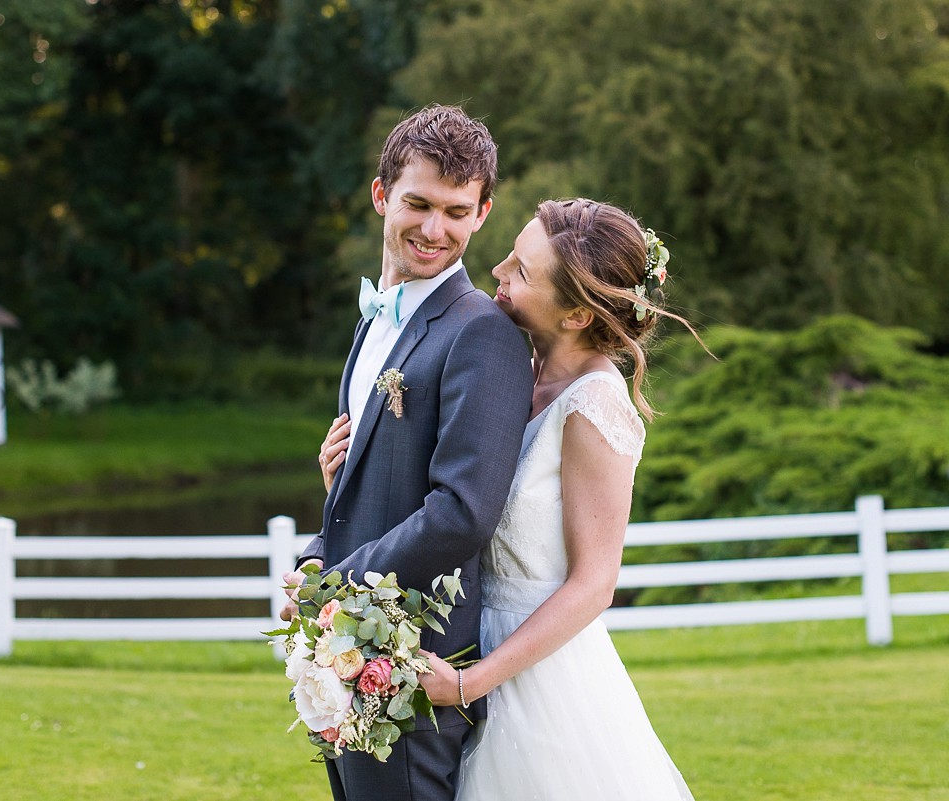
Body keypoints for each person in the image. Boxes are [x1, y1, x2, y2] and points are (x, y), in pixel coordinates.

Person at [281, 105, 534, 801]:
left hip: (414, 666)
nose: (434, 229)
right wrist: (313, 556)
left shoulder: (481, 332)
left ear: (483, 212)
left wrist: (333, 585)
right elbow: (373, 487)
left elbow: (462, 511)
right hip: (347, 649)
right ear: (380, 195)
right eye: (418, 203)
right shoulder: (374, 326)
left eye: (456, 211)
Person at [403, 198, 696, 799]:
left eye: (521, 272)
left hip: (539, 676)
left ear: (577, 316)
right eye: (510, 254)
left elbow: (595, 584)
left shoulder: (594, 406)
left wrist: (472, 683)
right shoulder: (514, 371)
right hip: (467, 633)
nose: (497, 273)